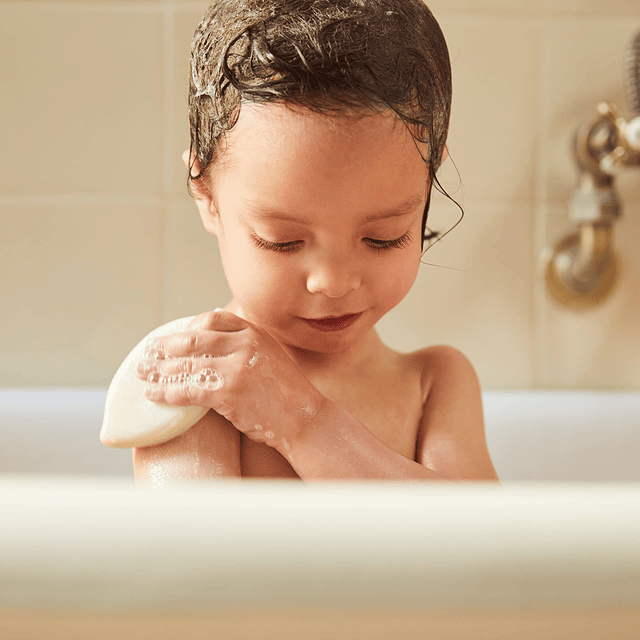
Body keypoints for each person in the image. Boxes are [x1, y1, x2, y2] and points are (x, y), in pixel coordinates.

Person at [119, 0, 499, 484]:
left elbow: (484, 543)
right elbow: (189, 555)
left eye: (383, 238)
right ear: (206, 193)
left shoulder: (436, 383)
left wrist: (304, 422)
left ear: (427, 185)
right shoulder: (196, 380)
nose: (334, 282)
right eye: (282, 242)